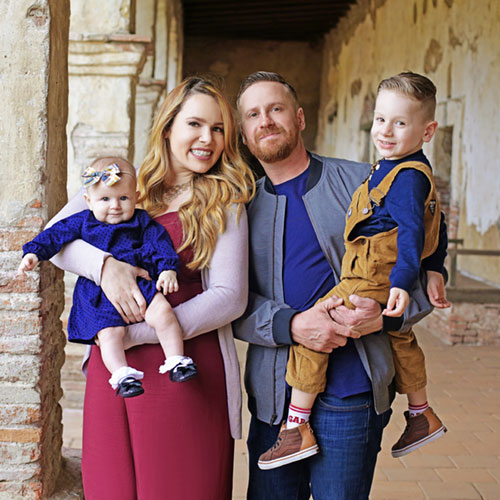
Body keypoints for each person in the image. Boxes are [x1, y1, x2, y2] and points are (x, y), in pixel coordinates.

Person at [232, 71, 447, 500]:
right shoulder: (239, 208)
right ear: (243, 130)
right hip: (277, 396)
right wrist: (291, 326)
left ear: (299, 117)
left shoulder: (364, 183)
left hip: (355, 391)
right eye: (253, 114)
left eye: (275, 109)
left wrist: (384, 317)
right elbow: (231, 303)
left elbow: (419, 267)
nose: (266, 121)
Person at [46, 77, 255, 499]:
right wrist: (106, 268)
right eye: (195, 124)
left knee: (179, 486)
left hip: (185, 365)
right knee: (112, 484)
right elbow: (54, 236)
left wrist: (135, 334)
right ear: (168, 127)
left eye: (219, 129)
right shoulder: (120, 179)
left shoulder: (224, 201)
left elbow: (230, 297)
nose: (207, 139)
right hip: (117, 369)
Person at [18, 157, 198, 398]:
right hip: (96, 293)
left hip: (140, 283)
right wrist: (33, 252)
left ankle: (176, 360)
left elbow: (160, 244)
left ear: (136, 197)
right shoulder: (82, 221)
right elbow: (55, 234)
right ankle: (121, 375)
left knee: (163, 312)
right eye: (105, 199)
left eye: (123, 198)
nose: (115, 205)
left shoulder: (141, 221)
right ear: (88, 201)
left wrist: (167, 269)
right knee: (109, 334)